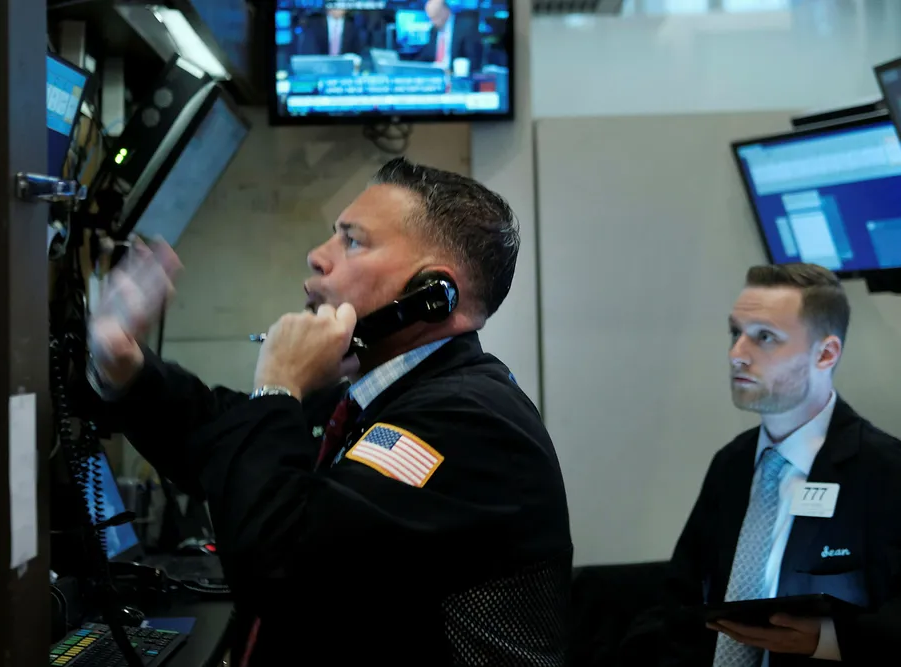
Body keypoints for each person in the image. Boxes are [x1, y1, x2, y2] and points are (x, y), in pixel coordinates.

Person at [83, 157, 573, 665]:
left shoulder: (467, 424)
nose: (317, 256)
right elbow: (228, 438)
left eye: (352, 241)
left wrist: (279, 384)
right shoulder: (379, 395)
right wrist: (125, 365)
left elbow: (279, 574)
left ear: (433, 294)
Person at [621, 263, 901, 667]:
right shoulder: (732, 463)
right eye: (735, 333)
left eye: (764, 337)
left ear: (825, 354)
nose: (737, 355)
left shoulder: (885, 471)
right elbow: (678, 604)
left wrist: (830, 639)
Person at [412, 0, 481, 72]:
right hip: (434, 73)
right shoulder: (433, 30)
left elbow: (473, 60)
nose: (433, 22)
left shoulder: (466, 28)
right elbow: (426, 55)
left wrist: (452, 71)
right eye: (430, 18)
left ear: (446, 11)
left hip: (454, 74)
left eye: (435, 17)